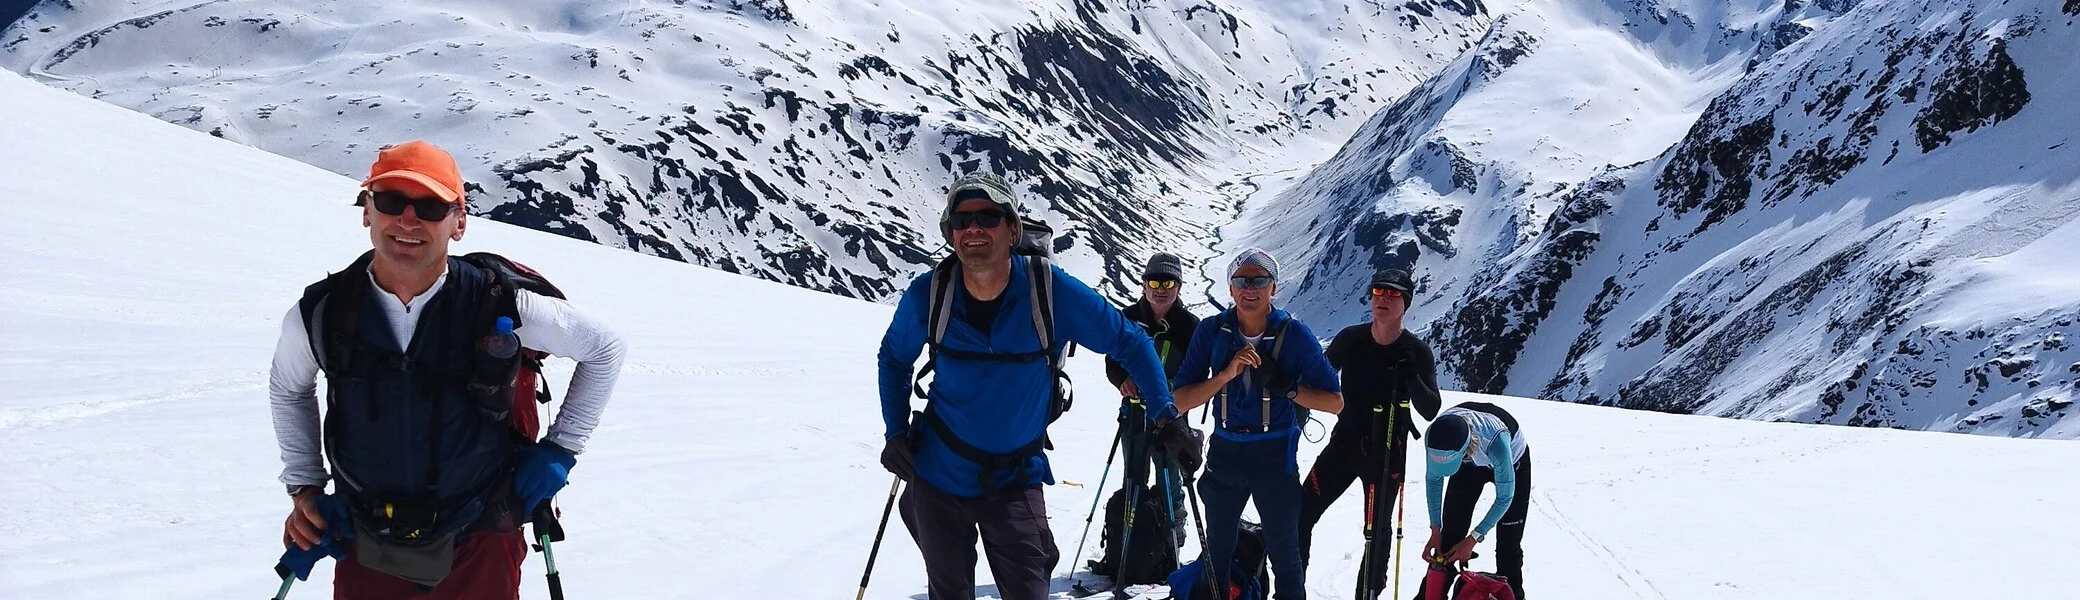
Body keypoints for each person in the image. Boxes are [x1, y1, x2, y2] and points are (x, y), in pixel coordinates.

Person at [270, 140, 627, 598]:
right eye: (391, 201)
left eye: (431, 207)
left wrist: (562, 449)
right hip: (364, 536)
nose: (408, 220)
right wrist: (305, 489)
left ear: (459, 223)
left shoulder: (500, 303)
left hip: (479, 536)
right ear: (367, 211)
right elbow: (288, 387)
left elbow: (605, 348)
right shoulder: (322, 312)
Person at [876, 172, 1195, 600]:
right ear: (950, 234)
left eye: (988, 217)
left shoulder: (1048, 291)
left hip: (1014, 478)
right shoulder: (929, 295)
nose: (973, 228)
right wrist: (895, 431)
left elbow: (1130, 341)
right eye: (962, 219)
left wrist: (1166, 416)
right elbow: (894, 358)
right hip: (938, 475)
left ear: (1012, 230)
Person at [1172, 248, 1343, 600]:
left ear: (1273, 287)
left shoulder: (1295, 335)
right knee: (1217, 549)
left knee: (1285, 554)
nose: (1250, 288)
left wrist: (1288, 389)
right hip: (1225, 453)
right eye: (1242, 281)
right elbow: (1181, 401)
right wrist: (1225, 375)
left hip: (1274, 455)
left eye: (1259, 280)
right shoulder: (1211, 332)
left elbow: (1335, 401)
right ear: (1231, 289)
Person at [1295, 268, 1441, 598]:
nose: (1383, 299)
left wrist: (1411, 379)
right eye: (1378, 292)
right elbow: (1318, 378)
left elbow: (1431, 408)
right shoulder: (1351, 339)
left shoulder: (1416, 352)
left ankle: (1368, 593)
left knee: (1376, 531)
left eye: (1392, 294)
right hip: (1343, 447)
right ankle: (1293, 587)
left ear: (1406, 303)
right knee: (1302, 512)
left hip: (1386, 455)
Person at [1102, 252, 1201, 549]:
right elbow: (1112, 360)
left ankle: (1172, 543)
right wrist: (1122, 381)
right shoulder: (1128, 318)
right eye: (1155, 281)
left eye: (1168, 281)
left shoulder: (1189, 326)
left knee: (1170, 476)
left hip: (1172, 415)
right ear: (1144, 284)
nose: (1161, 288)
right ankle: (1131, 543)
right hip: (1133, 412)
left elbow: (1197, 369)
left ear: (1179, 287)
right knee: (1133, 474)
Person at [1419, 402, 1532, 600]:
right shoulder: (1436, 436)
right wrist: (1435, 530)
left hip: (1513, 462)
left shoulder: (1497, 444)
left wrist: (1473, 539)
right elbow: (1433, 481)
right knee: (1447, 543)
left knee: (1508, 547)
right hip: (1468, 463)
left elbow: (1505, 497)